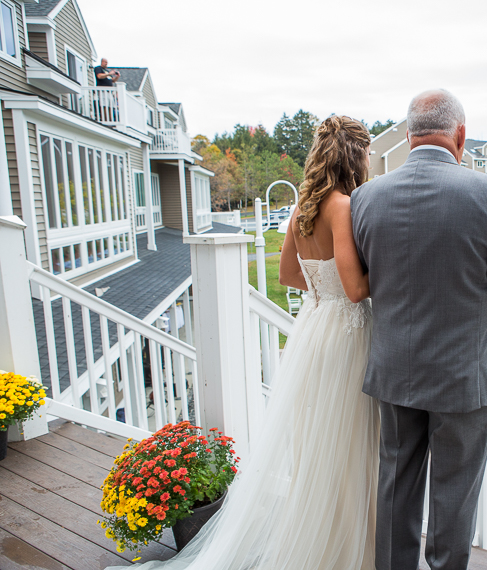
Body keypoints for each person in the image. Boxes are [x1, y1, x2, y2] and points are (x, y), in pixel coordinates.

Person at [115, 117, 375, 570]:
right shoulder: (342, 206)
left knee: (319, 444)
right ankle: (348, 547)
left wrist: (322, 289)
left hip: (314, 328)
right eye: (367, 153)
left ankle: (323, 538)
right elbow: (355, 290)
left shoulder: (304, 208)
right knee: (351, 444)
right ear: (354, 156)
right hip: (345, 335)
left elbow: (288, 276)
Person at [351, 89, 487, 570]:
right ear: (460, 134)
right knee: (455, 494)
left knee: (396, 483)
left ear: (409, 135)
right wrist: (484, 322)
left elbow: (375, 278)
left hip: (395, 369)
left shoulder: (366, 199)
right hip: (466, 374)